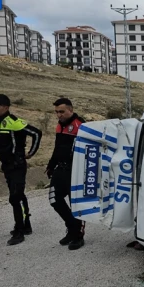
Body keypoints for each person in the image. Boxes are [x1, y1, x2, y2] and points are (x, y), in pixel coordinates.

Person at [0, 94, 42, 246]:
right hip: (6, 166)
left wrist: (31, 153)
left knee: (14, 197)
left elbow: (36, 133)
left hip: (17, 165)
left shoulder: (14, 122)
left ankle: (19, 232)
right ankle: (26, 225)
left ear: (6, 107)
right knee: (19, 195)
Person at [45, 97, 85, 250]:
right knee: (54, 200)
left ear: (71, 110)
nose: (59, 115)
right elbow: (57, 148)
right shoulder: (59, 126)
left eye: (61, 111)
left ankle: (78, 235)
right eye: (56, 112)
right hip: (60, 169)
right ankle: (71, 228)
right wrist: (50, 165)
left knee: (75, 204)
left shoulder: (80, 125)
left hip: (75, 171)